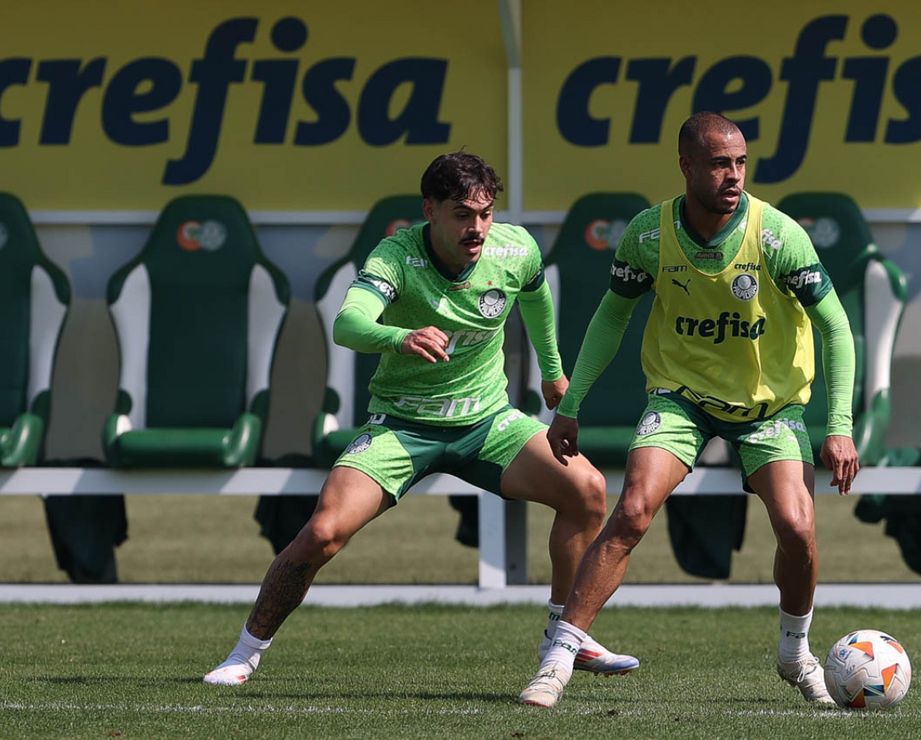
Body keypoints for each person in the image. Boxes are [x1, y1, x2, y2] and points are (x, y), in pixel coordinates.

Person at [204, 152, 638, 685]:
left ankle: (564, 635)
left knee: (587, 490)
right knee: (322, 533)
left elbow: (535, 296)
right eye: (461, 214)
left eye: (484, 213)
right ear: (429, 211)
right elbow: (348, 323)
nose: (476, 227)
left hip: (487, 424)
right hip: (402, 427)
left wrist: (552, 372)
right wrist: (399, 337)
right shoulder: (396, 256)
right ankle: (244, 652)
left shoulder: (515, 248)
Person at [519, 113, 860, 708]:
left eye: (741, 163)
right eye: (720, 163)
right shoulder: (649, 235)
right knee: (631, 512)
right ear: (686, 166)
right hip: (680, 399)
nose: (734, 176)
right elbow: (611, 317)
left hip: (769, 408)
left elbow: (835, 325)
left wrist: (840, 426)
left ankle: (795, 651)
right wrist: (571, 404)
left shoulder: (778, 235)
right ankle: (557, 660)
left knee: (798, 529)